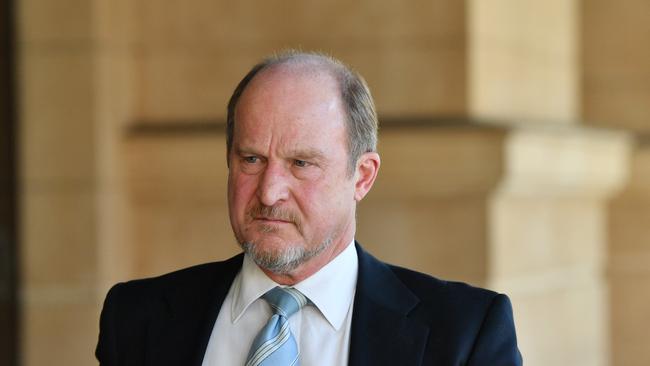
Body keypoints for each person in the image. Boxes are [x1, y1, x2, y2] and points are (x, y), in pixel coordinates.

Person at [96, 51, 522, 366]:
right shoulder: (137, 319)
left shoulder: (466, 335)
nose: (269, 192)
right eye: (251, 159)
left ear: (362, 176)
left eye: (301, 164)